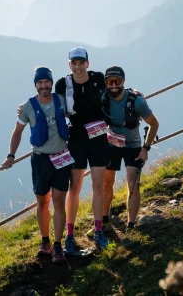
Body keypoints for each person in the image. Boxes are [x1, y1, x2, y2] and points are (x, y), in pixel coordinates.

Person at [1, 66, 73, 264]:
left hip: (62, 158)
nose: (44, 86)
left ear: (51, 82)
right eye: (40, 83)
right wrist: (11, 156)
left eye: (46, 82)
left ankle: (58, 246)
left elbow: (77, 111)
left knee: (59, 201)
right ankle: (45, 242)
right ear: (35, 85)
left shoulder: (60, 100)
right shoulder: (27, 107)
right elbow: (17, 132)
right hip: (40, 159)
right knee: (42, 202)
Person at [54, 47, 110, 253]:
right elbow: (52, 106)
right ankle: (70, 234)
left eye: (81, 63)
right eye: (74, 63)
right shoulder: (63, 84)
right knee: (75, 186)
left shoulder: (98, 78)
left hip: (98, 137)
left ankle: (98, 231)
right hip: (76, 138)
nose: (78, 67)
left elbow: (114, 93)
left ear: (87, 63)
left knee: (98, 184)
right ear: (69, 65)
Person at [101, 66, 159, 233]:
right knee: (106, 182)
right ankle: (104, 220)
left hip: (133, 146)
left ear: (123, 82)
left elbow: (154, 123)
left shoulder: (137, 102)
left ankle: (131, 226)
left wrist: (145, 149)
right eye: (109, 81)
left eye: (116, 81)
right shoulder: (103, 99)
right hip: (111, 143)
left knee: (132, 184)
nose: (113, 85)